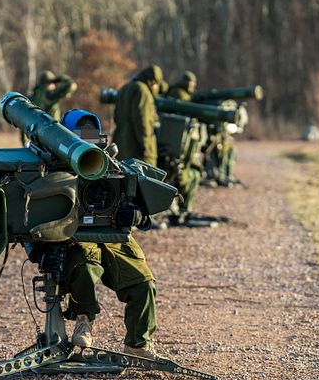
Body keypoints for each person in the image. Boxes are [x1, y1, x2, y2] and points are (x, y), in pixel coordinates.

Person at [55, 110, 159, 359]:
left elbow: (145, 213)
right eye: (80, 135)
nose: (88, 142)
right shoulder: (52, 169)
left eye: (93, 135)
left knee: (143, 283)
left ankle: (137, 342)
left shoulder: (116, 168)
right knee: (84, 269)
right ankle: (83, 321)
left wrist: (137, 215)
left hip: (113, 236)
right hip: (74, 235)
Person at [164, 70, 207, 226]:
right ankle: (180, 212)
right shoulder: (178, 94)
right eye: (190, 83)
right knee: (183, 177)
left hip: (185, 141)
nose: (193, 86)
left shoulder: (183, 94)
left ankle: (184, 211)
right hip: (178, 141)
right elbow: (185, 108)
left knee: (193, 174)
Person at [112, 65, 166, 166]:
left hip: (120, 145)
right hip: (137, 150)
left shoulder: (125, 88)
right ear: (153, 81)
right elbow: (142, 121)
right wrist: (146, 147)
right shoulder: (143, 91)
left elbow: (116, 117)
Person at [20, 70, 78, 144]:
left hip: (37, 135)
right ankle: (95, 140)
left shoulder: (32, 97)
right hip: (54, 131)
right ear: (49, 83)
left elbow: (23, 119)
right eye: (52, 83)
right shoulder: (50, 94)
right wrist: (58, 79)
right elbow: (71, 85)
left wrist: (24, 141)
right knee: (88, 134)